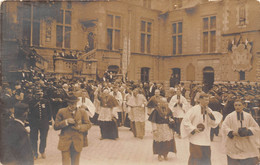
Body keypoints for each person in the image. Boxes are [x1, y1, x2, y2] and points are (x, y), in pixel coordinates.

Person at [180, 93, 222, 165]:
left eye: (208, 100)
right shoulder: (194, 109)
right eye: (205, 100)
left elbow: (213, 124)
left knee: (206, 157)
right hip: (195, 138)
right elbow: (186, 121)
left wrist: (210, 115)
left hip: (205, 138)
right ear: (200, 100)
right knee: (195, 157)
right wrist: (193, 128)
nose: (207, 102)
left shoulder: (209, 110)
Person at [54, 94, 92, 165]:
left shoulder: (82, 112)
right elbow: (56, 126)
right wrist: (66, 121)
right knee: (65, 162)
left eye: (74, 103)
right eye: (71, 103)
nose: (73, 105)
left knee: (75, 162)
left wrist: (80, 127)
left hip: (77, 141)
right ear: (68, 103)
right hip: (65, 141)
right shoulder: (61, 111)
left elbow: (88, 124)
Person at [222, 99, 259, 165]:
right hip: (234, 143)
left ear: (243, 106)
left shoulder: (248, 116)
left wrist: (248, 131)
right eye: (236, 105)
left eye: (239, 105)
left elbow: (256, 128)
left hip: (246, 143)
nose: (237, 107)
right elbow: (224, 127)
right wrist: (232, 132)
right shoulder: (230, 116)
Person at [28, 90, 52, 159]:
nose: (40, 96)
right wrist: (29, 122)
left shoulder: (46, 101)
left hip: (44, 122)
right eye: (38, 94)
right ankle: (34, 152)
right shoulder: (31, 102)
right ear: (34, 95)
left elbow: (49, 112)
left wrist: (49, 122)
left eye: (41, 94)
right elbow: (29, 113)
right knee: (33, 138)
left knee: (43, 137)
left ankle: (42, 151)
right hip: (34, 122)